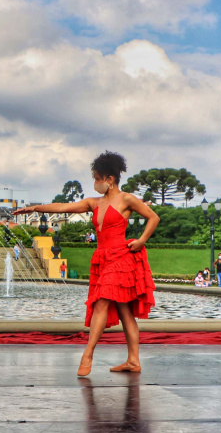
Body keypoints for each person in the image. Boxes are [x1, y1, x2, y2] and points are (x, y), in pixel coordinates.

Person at [13, 151, 159, 375]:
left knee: (102, 303)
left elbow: (153, 217)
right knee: (124, 312)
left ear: (110, 179)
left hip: (120, 258)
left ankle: (88, 353)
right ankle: (133, 361)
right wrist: (35, 208)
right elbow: (63, 207)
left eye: (98, 178)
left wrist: (140, 241)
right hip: (102, 258)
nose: (95, 183)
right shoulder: (94, 202)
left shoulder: (127, 199)